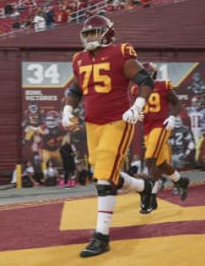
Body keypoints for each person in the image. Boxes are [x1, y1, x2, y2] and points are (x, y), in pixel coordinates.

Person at [60, 14, 154, 258]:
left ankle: (101, 236)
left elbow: (144, 80)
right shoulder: (78, 59)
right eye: (88, 33)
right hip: (93, 124)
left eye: (95, 32)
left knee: (103, 178)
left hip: (118, 120)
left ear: (108, 33)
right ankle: (144, 186)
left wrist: (137, 106)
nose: (91, 37)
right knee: (104, 173)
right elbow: (76, 88)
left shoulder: (120, 52)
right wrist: (67, 108)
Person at [132, 62, 190, 214]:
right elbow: (136, 107)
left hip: (161, 126)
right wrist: (137, 113)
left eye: (147, 72)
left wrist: (171, 117)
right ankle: (181, 181)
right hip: (147, 128)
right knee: (162, 164)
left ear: (153, 74)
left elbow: (177, 103)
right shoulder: (136, 90)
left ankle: (149, 197)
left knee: (150, 158)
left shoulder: (163, 86)